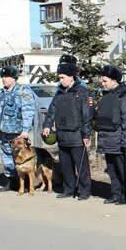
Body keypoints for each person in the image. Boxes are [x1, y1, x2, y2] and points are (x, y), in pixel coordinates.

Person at [42, 61, 92, 200]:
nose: (60, 80)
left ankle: (84, 190)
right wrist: (47, 125)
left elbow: (86, 115)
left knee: (81, 166)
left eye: (63, 77)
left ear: (71, 77)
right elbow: (51, 111)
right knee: (65, 165)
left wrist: (86, 134)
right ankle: (68, 189)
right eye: (59, 77)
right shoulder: (59, 93)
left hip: (77, 135)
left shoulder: (81, 92)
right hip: (62, 134)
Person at [94, 65, 126, 205]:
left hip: (118, 140)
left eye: (105, 81)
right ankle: (116, 194)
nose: (102, 83)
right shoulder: (106, 96)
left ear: (114, 80)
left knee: (122, 169)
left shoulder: (125, 96)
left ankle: (125, 195)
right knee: (111, 170)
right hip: (107, 139)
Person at [0, 66, 36, 192]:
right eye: (3, 77)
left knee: (21, 158)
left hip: (16, 133)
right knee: (6, 158)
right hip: (3, 132)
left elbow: (28, 111)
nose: (4, 79)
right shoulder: (2, 93)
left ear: (14, 78)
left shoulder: (22, 91)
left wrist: (25, 130)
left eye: (6, 77)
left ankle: (25, 184)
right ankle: (11, 182)